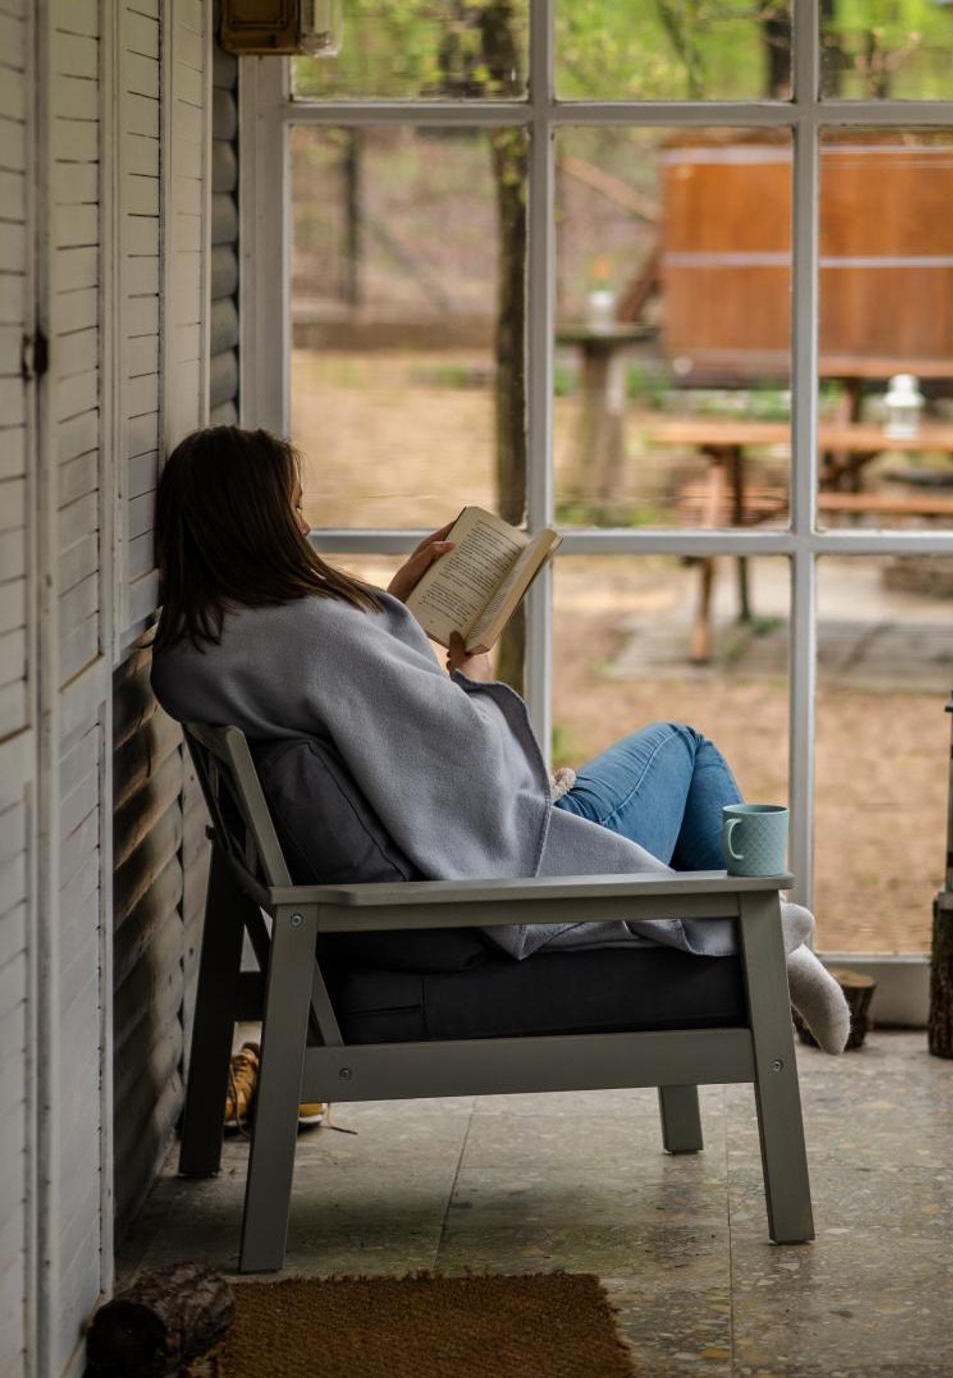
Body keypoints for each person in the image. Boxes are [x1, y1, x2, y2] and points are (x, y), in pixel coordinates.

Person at [150, 425, 849, 1050]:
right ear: (253, 520)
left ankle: (747, 933)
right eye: (292, 507)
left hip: (442, 852)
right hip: (500, 867)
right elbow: (468, 757)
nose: (303, 524)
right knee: (684, 744)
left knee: (663, 758)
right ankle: (763, 940)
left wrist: (390, 609)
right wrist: (473, 675)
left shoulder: (195, 651)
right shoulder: (317, 631)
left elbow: (356, 704)